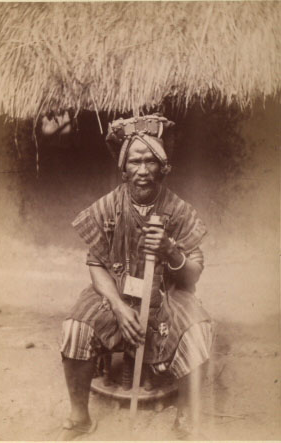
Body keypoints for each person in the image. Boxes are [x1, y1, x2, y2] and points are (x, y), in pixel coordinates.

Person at [58, 115, 212, 440]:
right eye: (135, 161)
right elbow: (95, 264)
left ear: (164, 167)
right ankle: (80, 416)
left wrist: (171, 250)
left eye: (150, 161)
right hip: (116, 294)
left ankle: (186, 416)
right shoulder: (107, 207)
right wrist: (116, 305)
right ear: (123, 168)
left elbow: (193, 275)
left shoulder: (181, 212)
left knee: (198, 331)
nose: (143, 170)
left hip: (168, 296)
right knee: (74, 329)